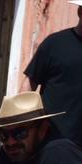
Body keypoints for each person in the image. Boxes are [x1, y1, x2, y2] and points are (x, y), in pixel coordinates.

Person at [24, 0, 82, 146]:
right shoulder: (55, 44)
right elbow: (28, 85)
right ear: (80, 12)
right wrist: (22, 129)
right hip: (53, 141)